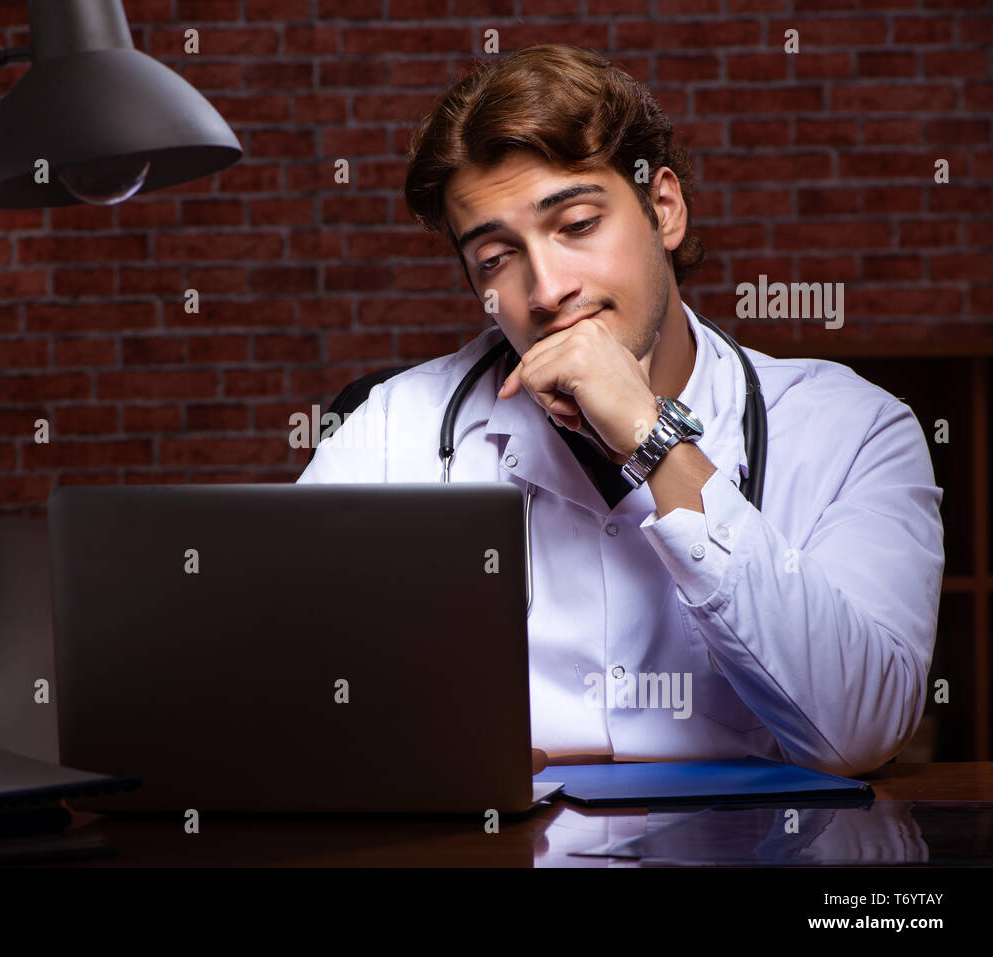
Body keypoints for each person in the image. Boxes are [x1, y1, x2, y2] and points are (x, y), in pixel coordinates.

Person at [295, 44, 943, 779]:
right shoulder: (389, 433)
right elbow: (286, 696)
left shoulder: (852, 428)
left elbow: (862, 729)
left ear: (662, 207)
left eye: (575, 224)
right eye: (496, 258)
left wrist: (652, 435)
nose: (547, 289)